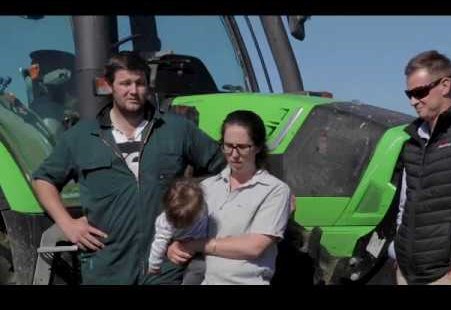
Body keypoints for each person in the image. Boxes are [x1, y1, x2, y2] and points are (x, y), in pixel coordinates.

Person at [32, 51, 225, 285]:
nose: (133, 91)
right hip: (107, 266)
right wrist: (67, 224)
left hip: (165, 266)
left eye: (140, 83)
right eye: (125, 83)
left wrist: (197, 224)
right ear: (109, 85)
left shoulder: (177, 130)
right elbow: (43, 179)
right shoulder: (81, 137)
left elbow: (225, 170)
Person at [167, 110, 291, 284]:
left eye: (241, 147)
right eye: (228, 146)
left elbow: (254, 247)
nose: (233, 154)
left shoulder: (275, 191)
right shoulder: (207, 187)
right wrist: (176, 247)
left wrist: (197, 245)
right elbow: (187, 233)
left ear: (258, 147)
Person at [391, 50, 451, 285]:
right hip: (408, 274)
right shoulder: (412, 141)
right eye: (408, 94)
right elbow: (405, 205)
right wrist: (397, 254)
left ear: (445, 85)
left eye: (419, 92)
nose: (413, 101)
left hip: (449, 275)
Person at [147, 178, 206, 279]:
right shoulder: (165, 222)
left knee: (198, 269)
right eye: (177, 222)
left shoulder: (201, 210)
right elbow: (158, 245)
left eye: (186, 222)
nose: (181, 225)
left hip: (201, 246)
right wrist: (154, 266)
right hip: (179, 247)